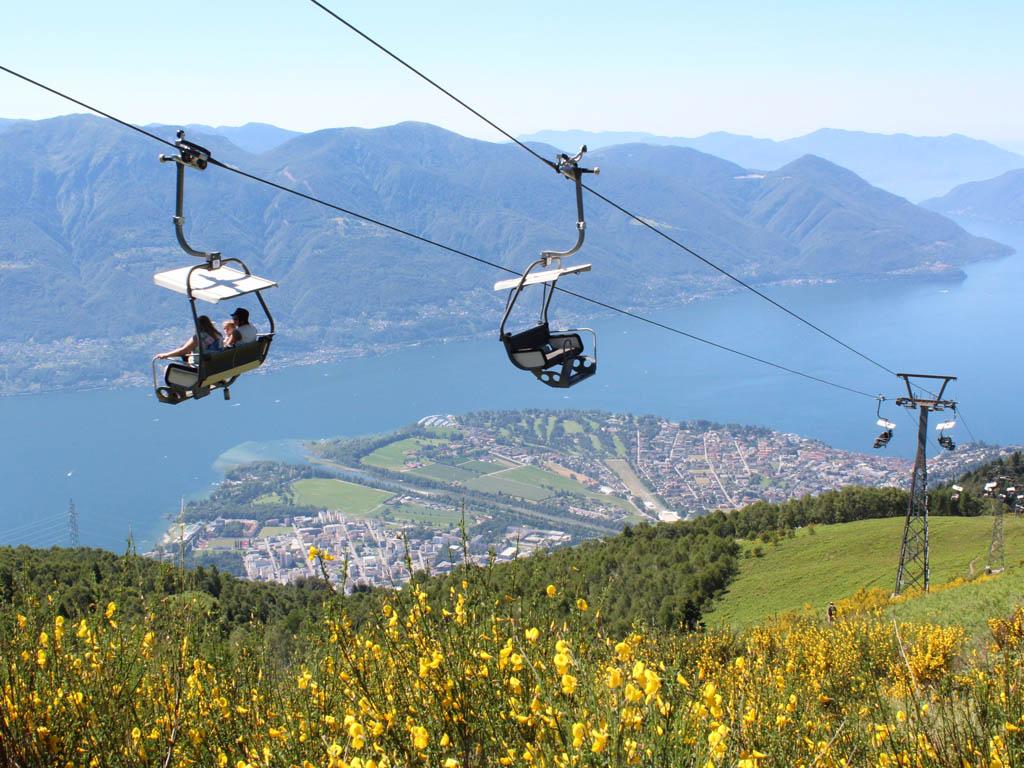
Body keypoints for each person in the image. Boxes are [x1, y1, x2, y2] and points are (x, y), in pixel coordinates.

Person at [154, 315, 223, 362]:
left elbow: (183, 351)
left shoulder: (199, 337)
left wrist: (166, 355)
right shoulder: (218, 335)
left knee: (183, 353)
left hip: (203, 366)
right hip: (216, 363)